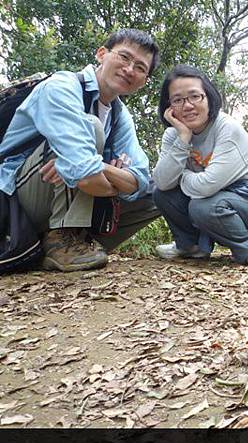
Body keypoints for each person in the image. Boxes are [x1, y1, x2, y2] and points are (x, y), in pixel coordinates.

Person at [0, 29, 161, 272]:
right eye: (124, 57)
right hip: (18, 197)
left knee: (155, 195)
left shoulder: (119, 115)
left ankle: (78, 243)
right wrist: (99, 174)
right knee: (91, 129)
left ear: (144, 80)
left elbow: (138, 179)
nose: (130, 69)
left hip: (69, 194)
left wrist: (99, 168)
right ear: (101, 54)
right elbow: (86, 176)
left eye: (140, 67)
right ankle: (61, 241)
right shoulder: (62, 87)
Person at [152, 64, 248, 267]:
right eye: (178, 100)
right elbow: (162, 182)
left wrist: (181, 174)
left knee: (203, 205)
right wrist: (183, 139)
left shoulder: (227, 128)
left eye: (195, 96)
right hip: (209, 197)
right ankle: (190, 246)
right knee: (163, 194)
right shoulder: (173, 134)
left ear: (209, 98)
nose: (187, 106)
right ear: (169, 107)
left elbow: (206, 185)